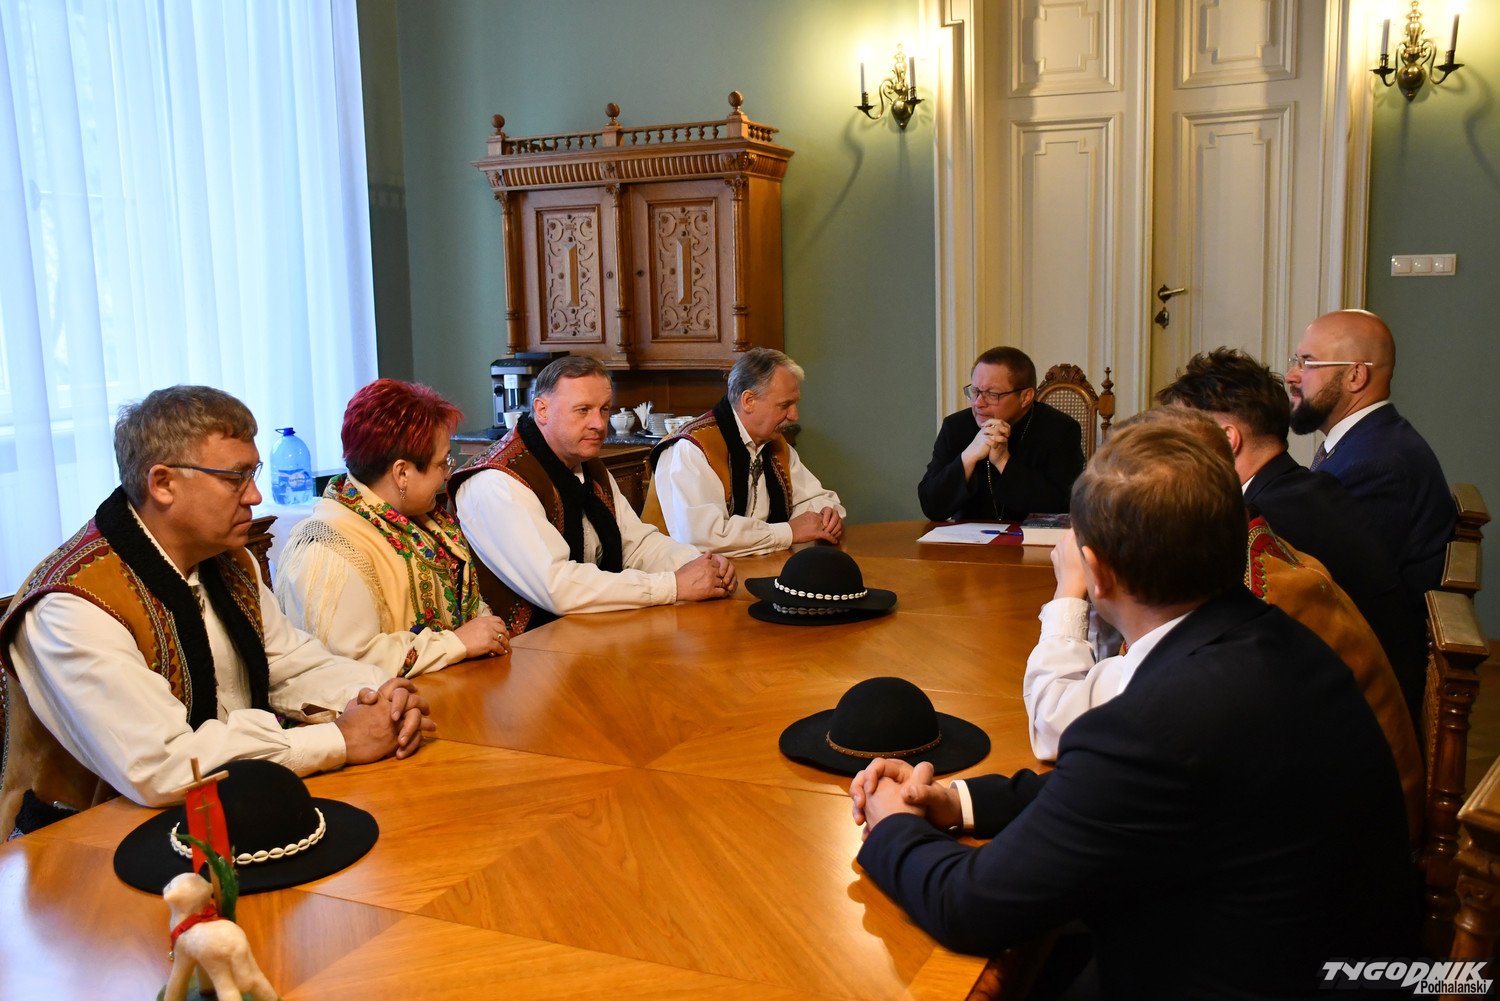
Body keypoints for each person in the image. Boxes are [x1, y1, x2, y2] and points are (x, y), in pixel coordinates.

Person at [849, 410, 1416, 997]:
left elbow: (968, 905)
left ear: (1094, 573)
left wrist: (892, 824)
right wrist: (956, 801)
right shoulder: (1276, 636)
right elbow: (1109, 790)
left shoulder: (1155, 725)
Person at [0, 387, 435, 838]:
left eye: (253, 473)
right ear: (162, 483)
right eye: (235, 478)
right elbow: (162, 766)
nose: (255, 495)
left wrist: (382, 698)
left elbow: (290, 664)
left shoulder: (226, 560)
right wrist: (340, 739)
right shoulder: (71, 604)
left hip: (228, 815)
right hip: (83, 846)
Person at [1157, 347, 1428, 718]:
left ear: (1226, 438)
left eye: (1176, 440)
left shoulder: (1264, 525)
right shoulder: (1305, 489)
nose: (1166, 456)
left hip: (1347, 722)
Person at [452, 356, 735, 634]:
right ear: (542, 410)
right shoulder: (496, 482)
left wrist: (700, 564)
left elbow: (636, 544)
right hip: (519, 651)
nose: (599, 424)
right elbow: (558, 587)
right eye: (583, 410)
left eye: (604, 409)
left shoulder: (585, 465)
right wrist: (673, 585)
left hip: (583, 634)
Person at [275, 379, 511, 676]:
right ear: (402, 473)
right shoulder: (328, 549)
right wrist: (456, 643)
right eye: (442, 464)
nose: (446, 475)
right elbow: (347, 664)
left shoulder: (420, 518)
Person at [1286, 309, 1455, 598]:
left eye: (1308, 363)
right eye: (1296, 361)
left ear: (1355, 376)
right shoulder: (1374, 440)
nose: (1291, 376)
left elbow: (1327, 584)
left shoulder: (1375, 465)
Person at [641, 348, 845, 556]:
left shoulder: (775, 445)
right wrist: (788, 532)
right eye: (785, 405)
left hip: (752, 567)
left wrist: (826, 515)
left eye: (794, 404)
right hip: (679, 571)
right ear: (748, 401)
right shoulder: (691, 448)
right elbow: (704, 538)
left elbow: (813, 498)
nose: (794, 415)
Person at [918, 346, 1083, 522]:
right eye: (975, 391)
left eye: (991, 394)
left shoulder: (1060, 430)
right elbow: (931, 506)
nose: (978, 403)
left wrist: (1003, 461)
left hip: (1031, 538)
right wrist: (968, 457)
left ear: (1026, 397)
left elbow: (1062, 506)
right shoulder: (955, 427)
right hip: (968, 538)